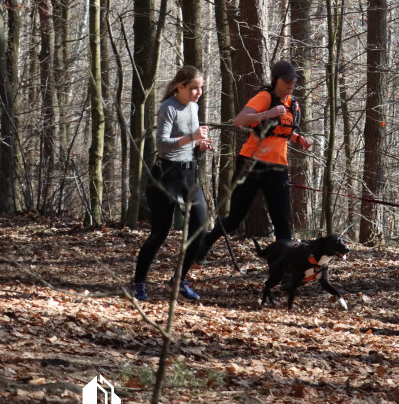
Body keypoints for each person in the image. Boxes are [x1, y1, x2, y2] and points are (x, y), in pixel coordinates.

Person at [199, 60, 314, 259]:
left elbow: (284, 132)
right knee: (235, 219)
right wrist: (268, 113)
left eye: (293, 80)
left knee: (282, 220)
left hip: (278, 167)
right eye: (287, 80)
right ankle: (205, 242)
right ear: (275, 79)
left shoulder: (293, 104)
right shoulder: (265, 97)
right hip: (251, 163)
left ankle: (283, 266)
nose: (291, 83)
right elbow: (239, 120)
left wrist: (300, 139)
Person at [131, 65, 214, 302]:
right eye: (194, 88)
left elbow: (189, 146)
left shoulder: (195, 107)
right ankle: (138, 283)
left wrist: (199, 146)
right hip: (166, 177)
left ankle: (177, 281)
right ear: (181, 87)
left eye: (201, 88)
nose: (199, 93)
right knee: (160, 233)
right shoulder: (169, 107)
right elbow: (163, 144)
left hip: (188, 176)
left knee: (200, 229)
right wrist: (192, 137)